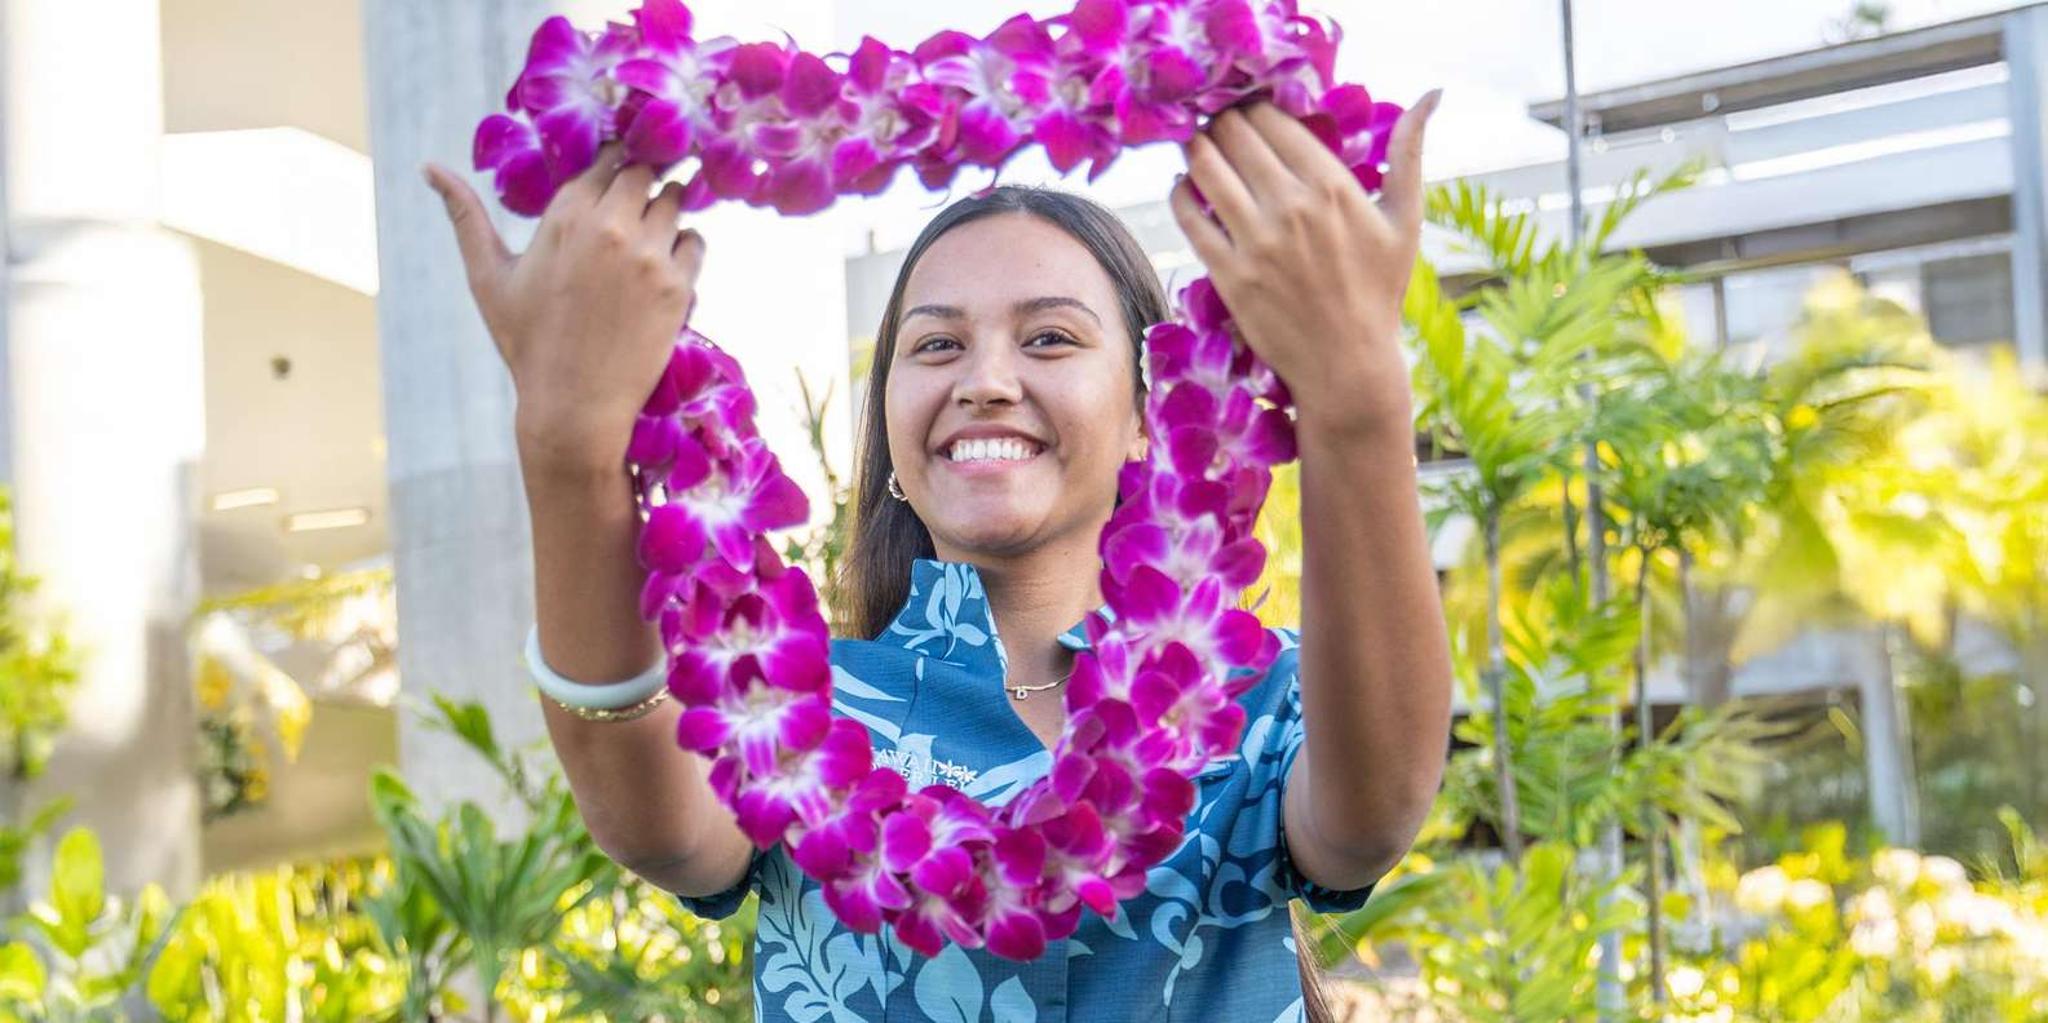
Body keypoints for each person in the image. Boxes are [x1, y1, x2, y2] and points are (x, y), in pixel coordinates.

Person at [423, 92, 1451, 1022]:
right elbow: (652, 822)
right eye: (934, 346)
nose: (986, 382)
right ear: (894, 439)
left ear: (1149, 415)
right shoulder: (795, 716)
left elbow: (1370, 814)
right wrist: (564, 452)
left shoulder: (1255, 692)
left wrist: (1353, 397)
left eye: (1048, 339)